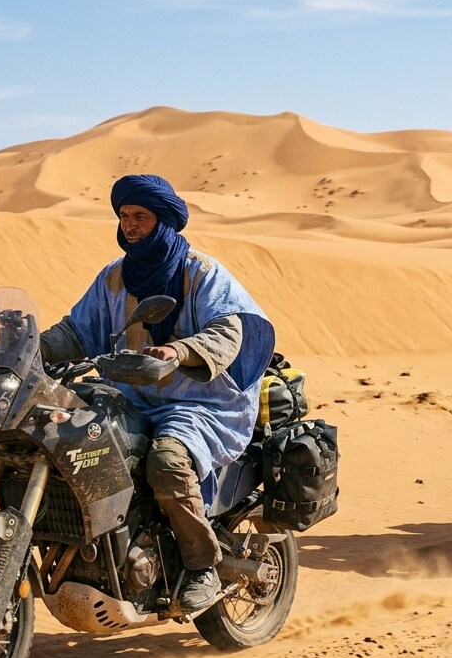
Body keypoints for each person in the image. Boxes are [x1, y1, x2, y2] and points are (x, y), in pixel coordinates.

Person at [39, 174, 275, 611]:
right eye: (124, 216)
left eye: (140, 217)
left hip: (202, 402)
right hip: (130, 396)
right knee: (64, 440)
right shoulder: (114, 277)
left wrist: (180, 349)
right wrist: (26, 346)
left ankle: (202, 563)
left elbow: (231, 329)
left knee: (167, 461)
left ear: (163, 221)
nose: (130, 225)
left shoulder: (201, 273)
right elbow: (78, 331)